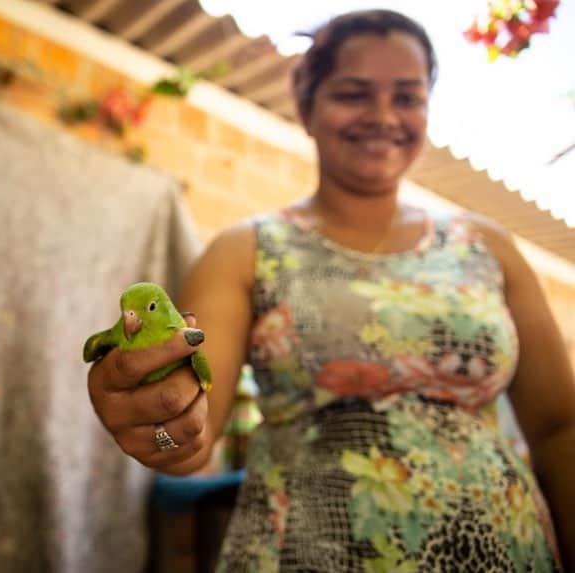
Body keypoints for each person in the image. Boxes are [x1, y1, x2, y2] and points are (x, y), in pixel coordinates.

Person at [87, 9, 575, 571]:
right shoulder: (245, 251)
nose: (383, 116)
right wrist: (162, 432)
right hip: (306, 556)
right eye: (354, 93)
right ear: (307, 105)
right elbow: (191, 436)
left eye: (408, 97)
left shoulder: (488, 246)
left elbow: (559, 429)